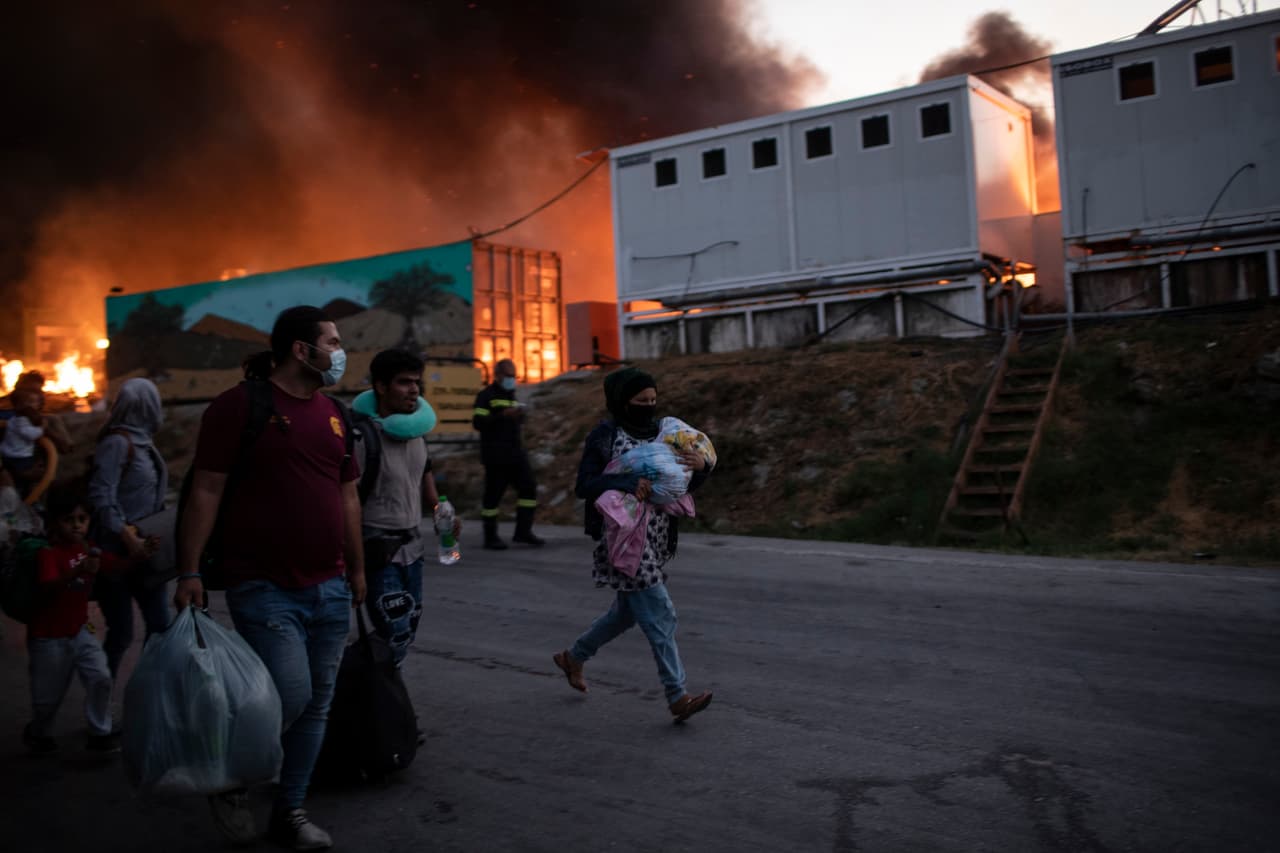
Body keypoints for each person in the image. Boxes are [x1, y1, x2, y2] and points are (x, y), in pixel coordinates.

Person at [174, 305, 365, 850]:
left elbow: (347, 496)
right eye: (332, 341)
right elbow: (206, 489)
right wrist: (188, 569)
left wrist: (356, 567)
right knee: (293, 693)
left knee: (316, 702)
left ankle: (291, 810)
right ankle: (230, 775)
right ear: (301, 350)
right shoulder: (239, 407)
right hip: (262, 583)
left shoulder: (335, 414)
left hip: (329, 584)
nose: (339, 351)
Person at [552, 367, 715, 723]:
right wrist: (627, 481)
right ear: (621, 401)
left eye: (653, 401)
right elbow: (586, 484)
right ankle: (677, 695)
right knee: (660, 612)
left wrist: (701, 467)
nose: (648, 407)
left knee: (626, 612)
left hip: (656, 536)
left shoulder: (665, 433)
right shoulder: (605, 435)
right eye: (640, 402)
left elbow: (680, 482)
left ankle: (574, 657)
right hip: (622, 538)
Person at [352, 348, 458, 666]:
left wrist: (443, 513)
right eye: (403, 382)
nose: (414, 390)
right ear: (381, 387)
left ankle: (377, 690)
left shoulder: (415, 435)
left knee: (407, 630)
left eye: (417, 382)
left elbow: (424, 479)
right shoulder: (362, 437)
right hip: (377, 551)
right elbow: (343, 500)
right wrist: (354, 567)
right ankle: (376, 699)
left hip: (413, 551)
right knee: (394, 632)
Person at [23, 484, 132, 755]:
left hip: (80, 630)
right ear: (55, 522)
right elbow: (48, 587)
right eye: (68, 520)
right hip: (48, 638)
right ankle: (38, 732)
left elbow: (113, 564)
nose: (76, 526)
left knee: (100, 677)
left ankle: (100, 732)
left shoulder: (88, 548)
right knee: (47, 699)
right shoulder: (48, 553)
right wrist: (78, 571)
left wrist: (140, 554)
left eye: (82, 520)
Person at [88, 377, 172, 678]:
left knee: (160, 626)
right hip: (117, 555)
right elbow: (101, 495)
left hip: (146, 552)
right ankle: (100, 704)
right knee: (121, 633)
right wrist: (126, 534)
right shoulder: (116, 443)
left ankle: (147, 696)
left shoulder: (144, 442)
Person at [471, 358, 543, 549]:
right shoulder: (486, 396)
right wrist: (502, 416)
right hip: (495, 455)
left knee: (528, 488)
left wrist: (519, 415)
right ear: (498, 375)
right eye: (509, 376)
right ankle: (490, 537)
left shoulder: (512, 395)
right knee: (493, 497)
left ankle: (523, 532)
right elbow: (478, 422)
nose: (512, 379)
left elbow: (514, 424)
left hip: (515, 453)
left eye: (514, 376)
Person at [0, 387, 45, 494]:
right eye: (29, 402)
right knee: (24, 478)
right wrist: (42, 428)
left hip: (8, 454)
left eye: (35, 402)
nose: (33, 405)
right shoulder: (22, 420)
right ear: (18, 406)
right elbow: (31, 435)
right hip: (19, 457)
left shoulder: (16, 418)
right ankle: (26, 498)